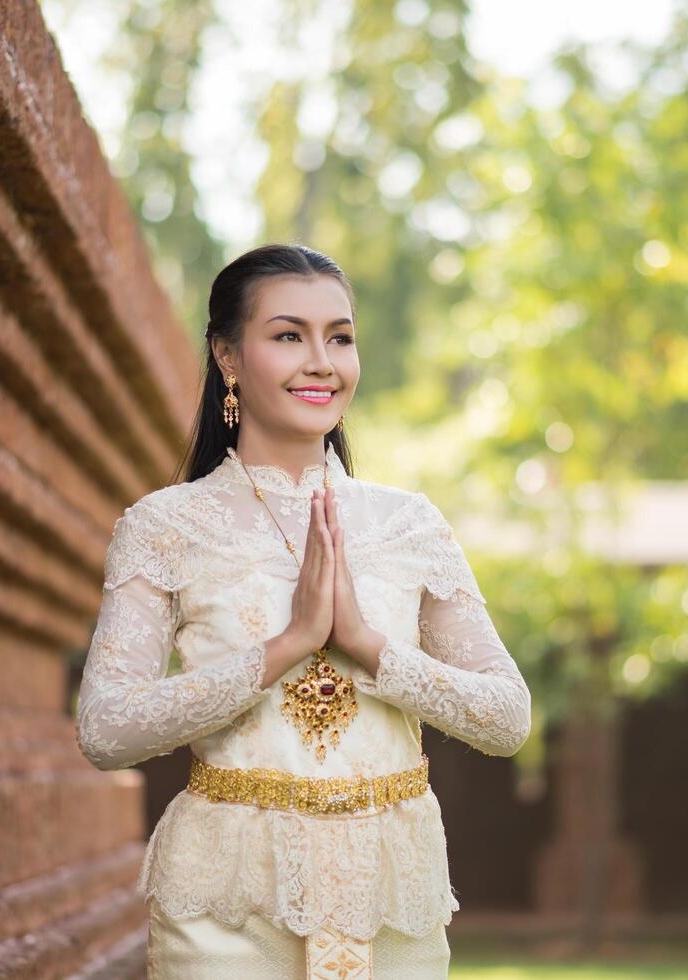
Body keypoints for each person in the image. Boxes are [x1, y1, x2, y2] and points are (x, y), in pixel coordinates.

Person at [74, 242, 532, 979]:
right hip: (226, 901)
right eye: (288, 335)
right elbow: (104, 728)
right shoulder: (165, 526)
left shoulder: (407, 523)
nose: (321, 361)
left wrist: (365, 645)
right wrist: (282, 648)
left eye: (340, 338)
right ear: (227, 355)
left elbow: (507, 717)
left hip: (389, 899)